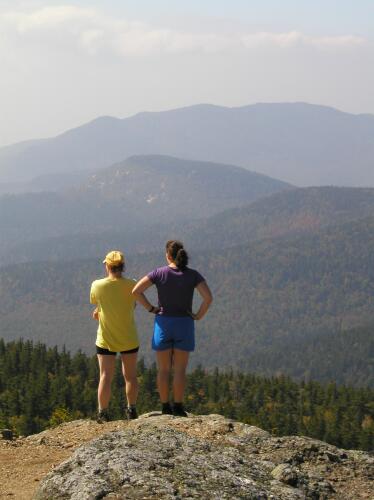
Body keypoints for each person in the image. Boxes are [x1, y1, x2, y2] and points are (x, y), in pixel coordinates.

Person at [132, 240, 213, 416]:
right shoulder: (193, 275)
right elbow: (208, 298)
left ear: (168, 255)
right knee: (180, 370)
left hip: (163, 324)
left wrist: (151, 308)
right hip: (184, 324)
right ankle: (178, 406)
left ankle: (165, 406)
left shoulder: (159, 273)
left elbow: (135, 291)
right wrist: (198, 315)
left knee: (163, 370)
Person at [90, 250, 139, 422]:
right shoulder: (132, 284)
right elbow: (132, 306)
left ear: (108, 266)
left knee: (105, 376)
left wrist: (98, 313)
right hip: (128, 337)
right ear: (122, 266)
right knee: (131, 376)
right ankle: (131, 410)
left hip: (105, 338)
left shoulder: (97, 285)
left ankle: (103, 413)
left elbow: (98, 305)